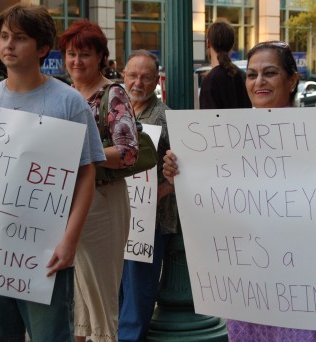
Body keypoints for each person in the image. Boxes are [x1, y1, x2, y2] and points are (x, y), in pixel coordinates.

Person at [163, 41, 316, 342]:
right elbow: (214, 209)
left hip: (305, 292)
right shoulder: (226, 139)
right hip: (250, 291)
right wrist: (184, 179)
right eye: (251, 74)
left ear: (292, 80)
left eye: (270, 73)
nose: (259, 82)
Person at [0, 4, 105, 342]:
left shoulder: (68, 103)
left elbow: (87, 175)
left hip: (44, 253)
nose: (8, 45)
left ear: (42, 48)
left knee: (51, 335)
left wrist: (69, 241)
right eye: (4, 37)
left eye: (20, 38)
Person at [59, 20, 139, 342]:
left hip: (103, 201)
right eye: (71, 54)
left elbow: (128, 152)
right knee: (77, 299)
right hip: (68, 205)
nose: (77, 61)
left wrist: (78, 153)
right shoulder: (65, 96)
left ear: (101, 57)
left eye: (85, 54)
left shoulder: (112, 93)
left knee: (101, 299)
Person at [118, 49, 178, 342]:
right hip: (116, 218)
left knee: (136, 303)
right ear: (123, 76)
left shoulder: (164, 118)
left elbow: (181, 173)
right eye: (132, 76)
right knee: (113, 294)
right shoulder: (118, 113)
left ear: (156, 80)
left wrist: (159, 192)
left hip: (148, 225)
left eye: (145, 77)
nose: (137, 83)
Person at [199, 20, 251, 109]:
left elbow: (208, 119)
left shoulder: (210, 80)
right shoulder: (243, 76)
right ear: (232, 44)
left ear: (208, 43)